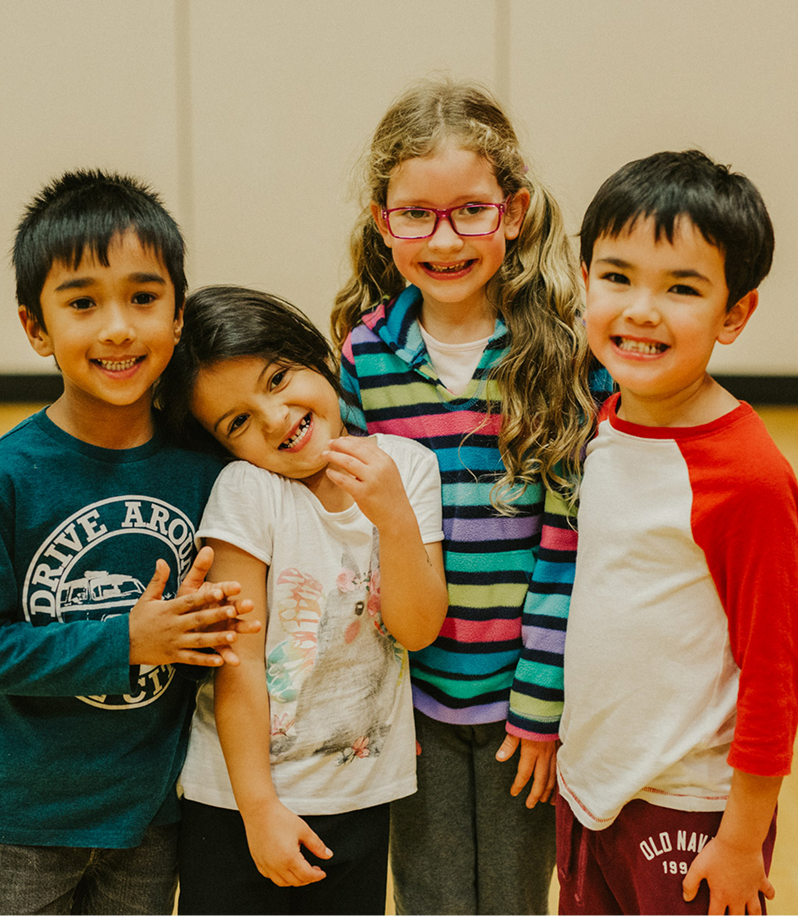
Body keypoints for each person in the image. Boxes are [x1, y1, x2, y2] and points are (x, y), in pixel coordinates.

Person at [331, 77, 612, 915]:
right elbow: (358, 541)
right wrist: (380, 696)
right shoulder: (366, 355)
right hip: (411, 705)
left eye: (471, 211)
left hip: (528, 700)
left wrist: (538, 707)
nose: (443, 238)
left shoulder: (560, 353)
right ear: (384, 222)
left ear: (514, 211)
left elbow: (567, 549)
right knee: (433, 897)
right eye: (415, 214)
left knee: (519, 900)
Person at [0, 169, 259, 916]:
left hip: (149, 817)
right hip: (22, 822)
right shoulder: (3, 479)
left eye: (143, 298)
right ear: (36, 327)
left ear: (179, 315)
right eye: (83, 302)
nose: (118, 327)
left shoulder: (208, 469)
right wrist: (124, 640)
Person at [556, 149, 798, 916]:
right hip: (593, 795)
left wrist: (740, 838)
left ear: (735, 312)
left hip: (689, 814)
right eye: (617, 276)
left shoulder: (748, 475)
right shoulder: (605, 423)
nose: (640, 309)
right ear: (585, 278)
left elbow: (778, 674)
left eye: (682, 288)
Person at [155, 285, 449, 916]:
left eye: (279, 378)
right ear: (223, 445)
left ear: (318, 358)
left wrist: (394, 517)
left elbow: (417, 628)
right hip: (235, 802)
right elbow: (243, 663)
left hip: (360, 793)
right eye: (237, 422)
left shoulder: (408, 468)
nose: (274, 417)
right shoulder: (247, 491)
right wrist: (259, 808)